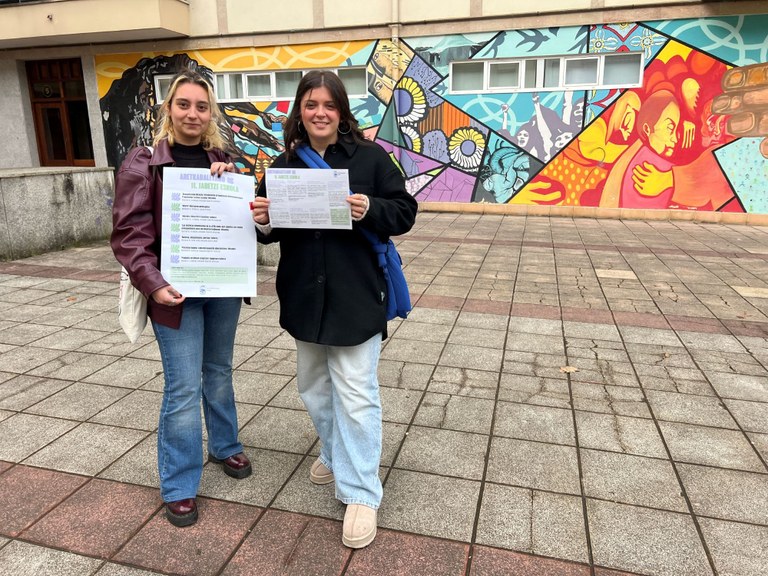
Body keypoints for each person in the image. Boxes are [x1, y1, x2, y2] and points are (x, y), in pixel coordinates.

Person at [250, 70, 417, 549]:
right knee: (314, 389)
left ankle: (362, 491)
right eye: (310, 104)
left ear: (341, 111)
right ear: (299, 112)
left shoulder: (369, 158)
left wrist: (371, 209)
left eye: (328, 104)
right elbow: (275, 229)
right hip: (304, 295)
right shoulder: (283, 167)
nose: (319, 112)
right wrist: (262, 221)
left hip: (356, 295)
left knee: (357, 394)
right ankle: (332, 450)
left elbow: (405, 210)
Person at [111, 69, 252, 528]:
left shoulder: (222, 159)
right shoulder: (144, 162)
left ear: (211, 113)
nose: (193, 113)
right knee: (183, 385)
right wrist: (153, 284)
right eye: (184, 104)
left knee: (219, 370)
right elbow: (129, 235)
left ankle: (225, 446)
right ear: (168, 110)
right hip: (173, 296)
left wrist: (232, 187)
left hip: (222, 290)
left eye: (202, 106)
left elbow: (243, 226)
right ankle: (179, 483)